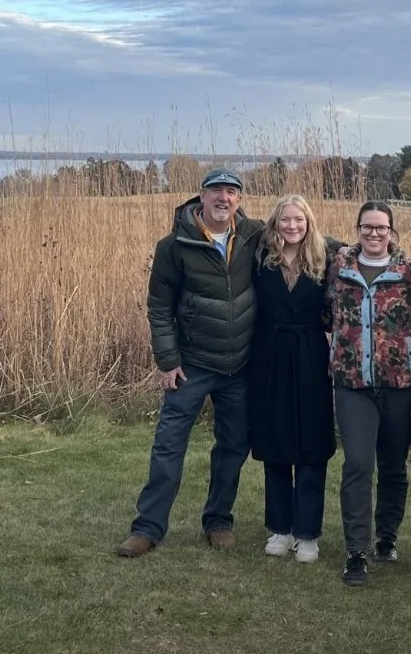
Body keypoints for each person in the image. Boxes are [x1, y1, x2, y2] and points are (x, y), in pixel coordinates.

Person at [117, 167, 264, 558]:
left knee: (234, 446)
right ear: (201, 197)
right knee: (168, 444)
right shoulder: (174, 245)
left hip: (240, 366)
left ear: (239, 200)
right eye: (216, 190)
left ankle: (218, 520)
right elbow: (159, 307)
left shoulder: (253, 236)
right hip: (192, 365)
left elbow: (304, 240)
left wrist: (352, 250)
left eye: (231, 191)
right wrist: (167, 360)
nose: (224, 198)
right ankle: (147, 528)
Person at [325, 201, 411, 586]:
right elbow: (324, 314)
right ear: (358, 229)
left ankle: (387, 537)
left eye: (382, 228)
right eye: (367, 227)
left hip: (399, 384)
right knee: (358, 464)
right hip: (352, 385)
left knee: (393, 465)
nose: (374, 234)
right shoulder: (339, 270)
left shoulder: (409, 274)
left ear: (392, 231)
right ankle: (356, 550)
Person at [247, 195, 336, 565]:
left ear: (308, 222)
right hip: (269, 354)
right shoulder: (258, 258)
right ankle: (280, 529)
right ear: (275, 223)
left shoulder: (326, 256)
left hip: (311, 354)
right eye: (285, 220)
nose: (292, 226)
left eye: (298, 219)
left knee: (312, 444)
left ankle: (308, 533)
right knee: (276, 440)